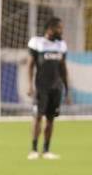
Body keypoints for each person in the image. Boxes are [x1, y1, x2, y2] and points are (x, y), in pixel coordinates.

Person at [26, 17, 70, 159]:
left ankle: (46, 150)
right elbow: (30, 65)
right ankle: (33, 150)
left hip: (56, 88)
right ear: (50, 29)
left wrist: (67, 88)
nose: (61, 31)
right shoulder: (37, 43)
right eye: (59, 28)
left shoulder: (61, 45)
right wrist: (29, 85)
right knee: (38, 117)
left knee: (51, 119)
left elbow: (63, 68)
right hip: (41, 87)